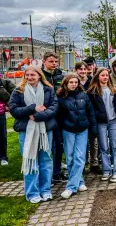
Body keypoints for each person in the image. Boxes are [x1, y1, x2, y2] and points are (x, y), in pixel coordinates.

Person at [9, 66, 58, 203]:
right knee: (30, 161)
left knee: (46, 160)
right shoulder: (18, 91)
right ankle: (32, 192)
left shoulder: (49, 90)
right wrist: (32, 108)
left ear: (39, 76)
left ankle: (46, 190)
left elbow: (54, 108)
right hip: (26, 131)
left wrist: (38, 116)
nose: (29, 77)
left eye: (33, 75)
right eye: (27, 75)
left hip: (45, 130)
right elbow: (13, 110)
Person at [56, 73, 97, 199]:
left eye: (76, 82)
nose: (74, 85)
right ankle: (80, 182)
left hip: (82, 130)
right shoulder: (61, 98)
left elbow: (90, 112)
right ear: (66, 84)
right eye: (71, 82)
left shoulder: (83, 96)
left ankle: (70, 187)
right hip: (68, 130)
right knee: (70, 158)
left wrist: (93, 127)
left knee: (79, 157)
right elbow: (59, 117)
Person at [88, 68, 116, 182]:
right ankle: (107, 170)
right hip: (101, 122)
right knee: (103, 147)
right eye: (102, 75)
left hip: (114, 121)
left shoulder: (114, 90)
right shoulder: (93, 91)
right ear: (98, 77)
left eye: (107, 75)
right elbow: (91, 109)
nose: (105, 77)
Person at [41, 52, 67, 184]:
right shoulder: (40, 77)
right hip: (45, 117)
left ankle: (56, 172)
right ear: (44, 61)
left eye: (56, 62)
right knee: (46, 146)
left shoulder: (60, 76)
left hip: (59, 116)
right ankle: (46, 174)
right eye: (51, 61)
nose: (54, 64)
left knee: (59, 144)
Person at [75, 61, 99, 174]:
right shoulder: (74, 82)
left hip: (92, 114)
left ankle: (94, 163)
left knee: (93, 140)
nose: (83, 71)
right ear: (76, 70)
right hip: (79, 116)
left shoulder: (92, 81)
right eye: (80, 69)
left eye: (85, 69)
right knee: (82, 142)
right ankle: (83, 164)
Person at [0, 75, 16, 165]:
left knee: (2, 136)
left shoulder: (4, 82)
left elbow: (14, 95)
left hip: (0, 113)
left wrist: (8, 105)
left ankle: (3, 157)